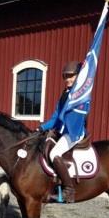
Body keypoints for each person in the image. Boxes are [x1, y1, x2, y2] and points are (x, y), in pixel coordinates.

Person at [37, 61, 89, 203]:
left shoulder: (81, 95)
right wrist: (42, 128)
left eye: (71, 76)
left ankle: (69, 191)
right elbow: (56, 116)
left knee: (54, 153)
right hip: (63, 131)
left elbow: (78, 116)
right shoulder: (65, 93)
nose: (68, 79)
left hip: (75, 132)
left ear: (79, 76)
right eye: (65, 76)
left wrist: (62, 128)